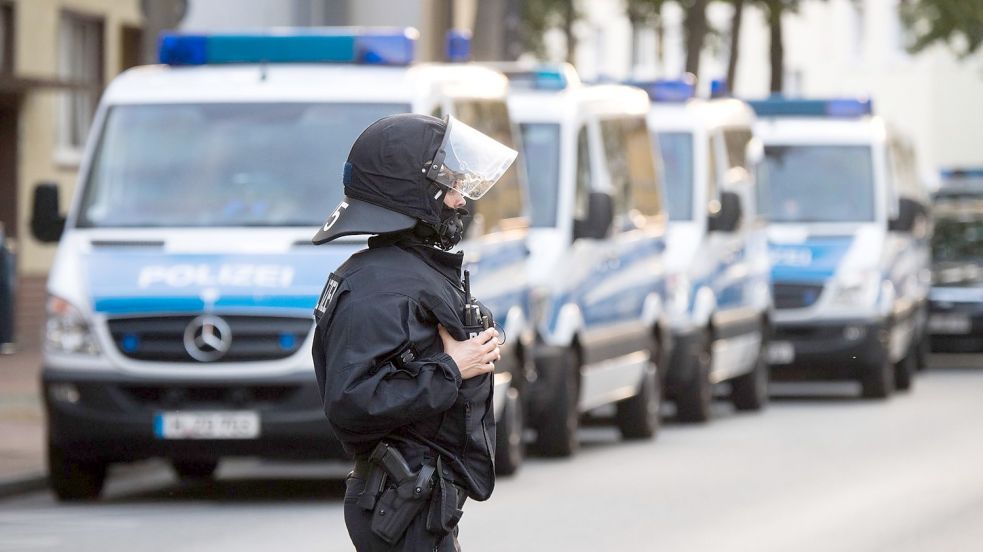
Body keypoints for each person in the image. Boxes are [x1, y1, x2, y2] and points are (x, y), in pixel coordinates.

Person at [310, 113, 518, 551]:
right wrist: (451, 368)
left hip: (417, 504)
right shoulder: (378, 288)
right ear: (411, 191)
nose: (460, 200)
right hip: (399, 505)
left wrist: (476, 345)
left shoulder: (405, 273)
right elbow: (351, 401)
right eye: (449, 187)